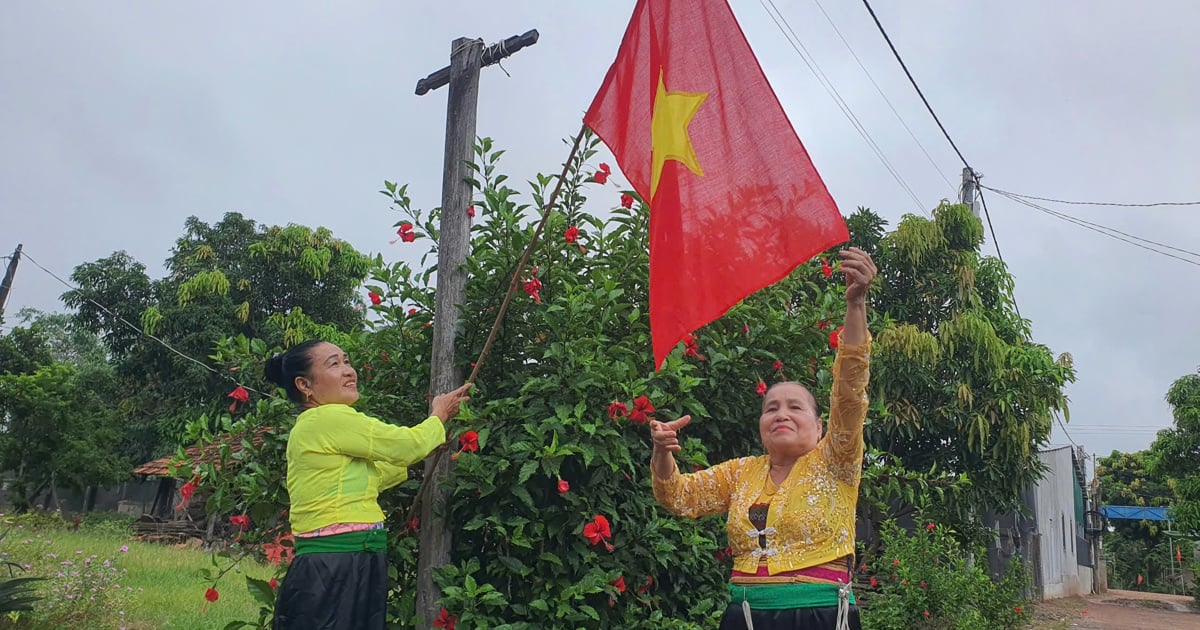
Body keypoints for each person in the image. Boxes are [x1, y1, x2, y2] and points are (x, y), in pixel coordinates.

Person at [650, 248, 877, 630]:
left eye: (795, 407)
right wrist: (662, 452)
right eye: (771, 408)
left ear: (819, 427)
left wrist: (856, 305)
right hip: (746, 616)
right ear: (760, 425)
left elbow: (850, 391)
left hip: (821, 615)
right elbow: (677, 495)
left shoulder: (836, 458)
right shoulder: (741, 473)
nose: (781, 414)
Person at [265, 339, 471, 630]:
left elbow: (374, 476)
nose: (348, 371)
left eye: (346, 361)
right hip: (336, 563)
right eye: (334, 364)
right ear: (304, 385)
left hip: (347, 560)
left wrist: (429, 441)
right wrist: (439, 416)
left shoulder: (319, 425)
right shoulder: (327, 417)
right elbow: (405, 446)